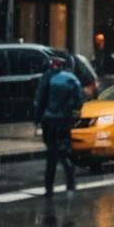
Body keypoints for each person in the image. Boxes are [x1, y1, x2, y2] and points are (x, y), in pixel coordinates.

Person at [33, 53, 85, 197]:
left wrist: (37, 119)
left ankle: (49, 187)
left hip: (49, 120)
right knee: (64, 151)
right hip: (64, 120)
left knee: (51, 154)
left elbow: (40, 100)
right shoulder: (72, 79)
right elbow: (79, 102)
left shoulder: (47, 78)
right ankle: (70, 181)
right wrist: (72, 115)